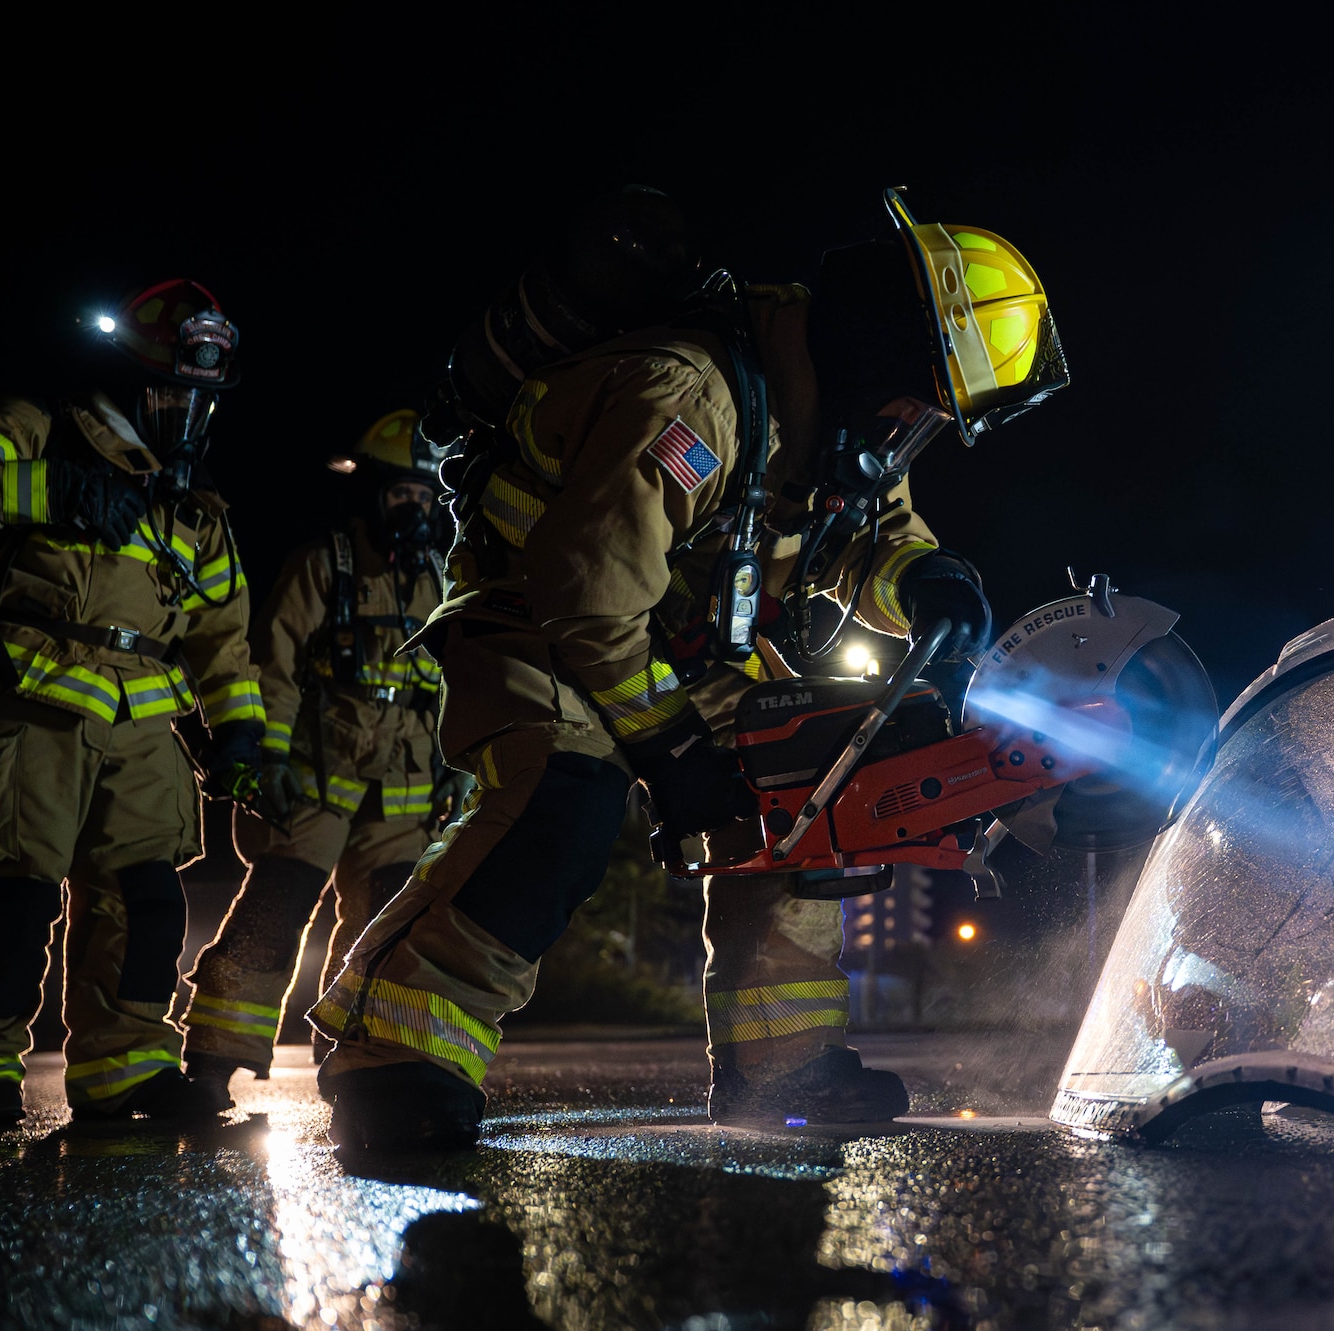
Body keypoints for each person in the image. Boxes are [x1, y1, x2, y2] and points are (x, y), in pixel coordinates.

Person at [310, 188, 1067, 1149]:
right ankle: (393, 1053)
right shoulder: (690, 395)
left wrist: (929, 578)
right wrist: (668, 747)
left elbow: (871, 535)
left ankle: (782, 1065)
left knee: (807, 783)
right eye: (922, 400)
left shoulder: (838, 421)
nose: (915, 427)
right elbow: (588, 594)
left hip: (675, 637)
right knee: (564, 802)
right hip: (534, 620)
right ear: (882, 353)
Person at [0, 280, 262, 1125]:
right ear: (129, 378)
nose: (186, 414)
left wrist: (237, 736)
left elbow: (224, 639)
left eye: (200, 400)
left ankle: (126, 1068)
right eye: (172, 393)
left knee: (149, 902)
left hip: (144, 725)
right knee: (13, 898)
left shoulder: (195, 509)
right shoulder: (35, 427)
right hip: (29, 698)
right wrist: (55, 490)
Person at [180, 410, 463, 1107]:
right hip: (312, 790)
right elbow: (272, 668)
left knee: (385, 938)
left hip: (403, 801)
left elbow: (465, 679)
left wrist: (461, 768)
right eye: (401, 492)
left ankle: (358, 1061)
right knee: (273, 914)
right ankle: (212, 1060)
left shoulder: (442, 582)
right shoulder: (324, 564)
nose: (415, 508)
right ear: (371, 492)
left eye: (426, 495)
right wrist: (266, 759)